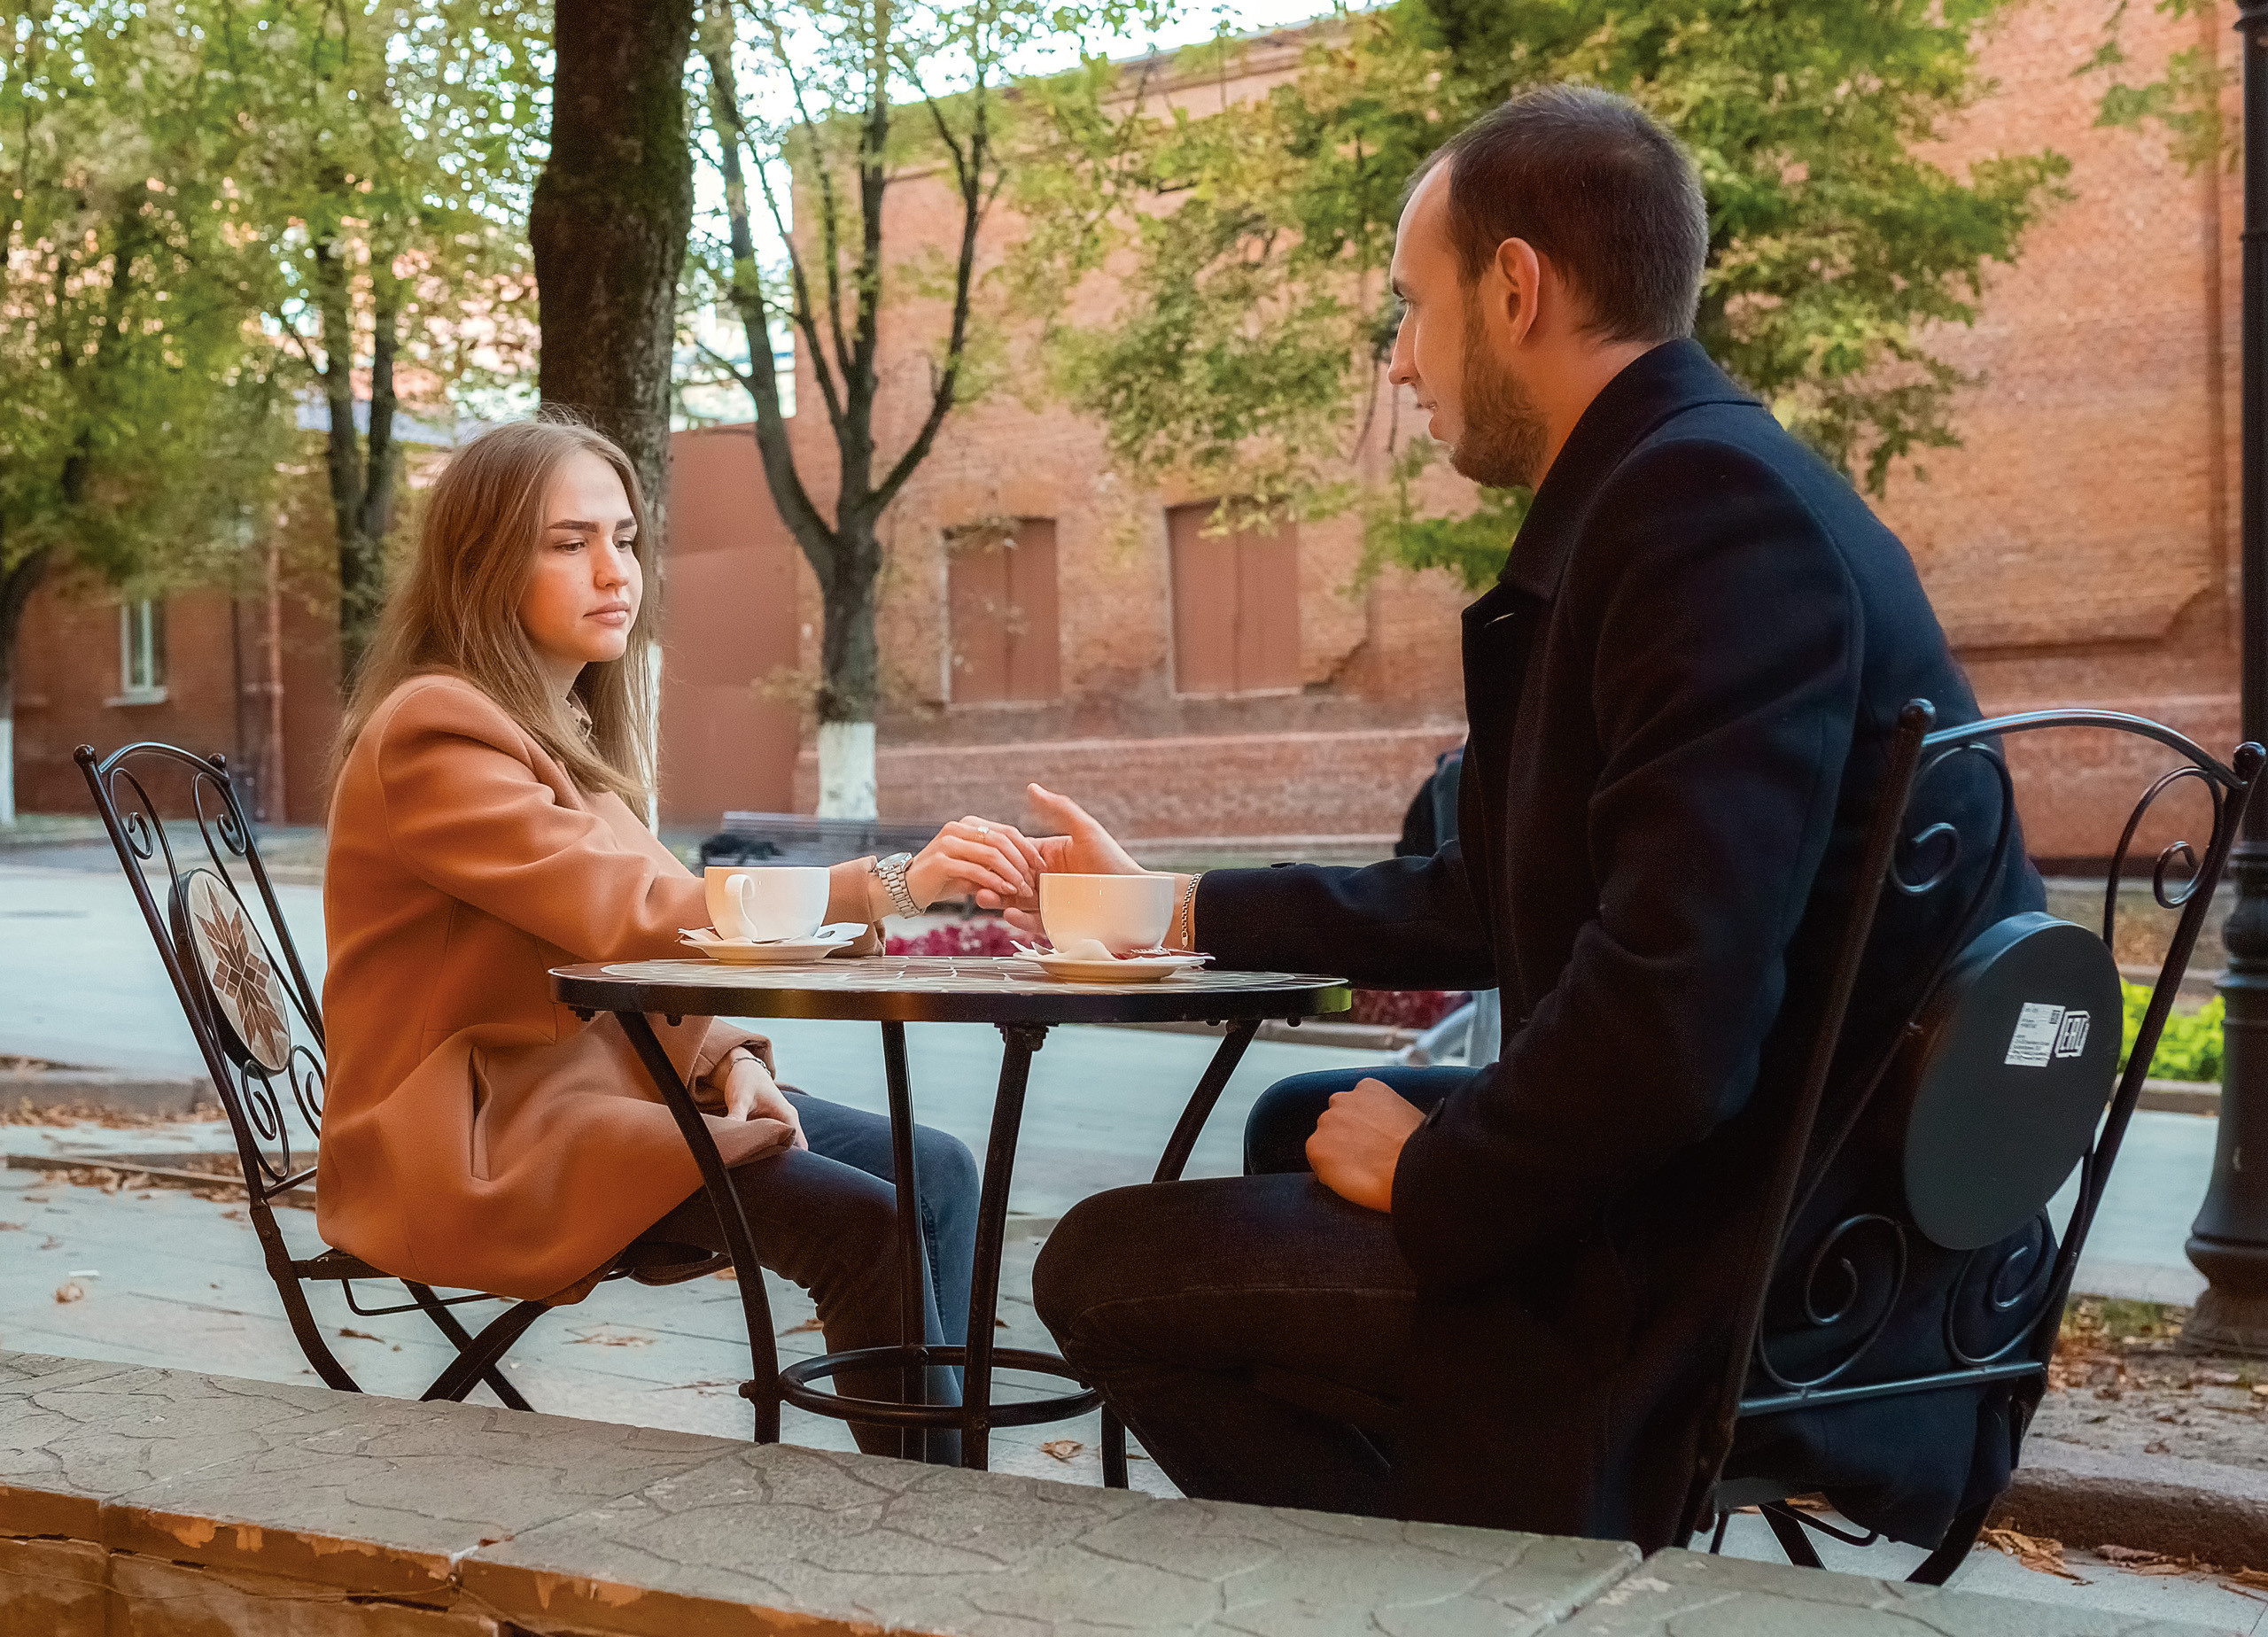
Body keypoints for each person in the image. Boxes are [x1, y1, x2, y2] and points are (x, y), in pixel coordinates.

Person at [1022, 85, 2042, 1548]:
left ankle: (1487, 1584)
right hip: (1775, 1185)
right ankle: (1453, 1529)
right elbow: (1484, 890)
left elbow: (1674, 1020)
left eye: (1411, 307)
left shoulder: (1702, 518)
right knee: (1302, 1119)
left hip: (1744, 1265)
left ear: (1515, 290)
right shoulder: (1688, 484)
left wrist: (1440, 1174)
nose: (1400, 359)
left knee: (1101, 1269)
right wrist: (1166, 906)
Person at [320, 417, 1042, 1461]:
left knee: (934, 1171)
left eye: (624, 539)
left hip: (590, 1100)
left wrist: (727, 1061)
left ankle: (949, 1483)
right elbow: (633, 914)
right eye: (568, 543)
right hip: (472, 1140)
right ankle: (919, 1518)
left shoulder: (546, 729)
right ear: (481, 564)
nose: (614, 572)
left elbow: (639, 933)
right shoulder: (438, 732)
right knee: (864, 1225)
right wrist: (888, 883)